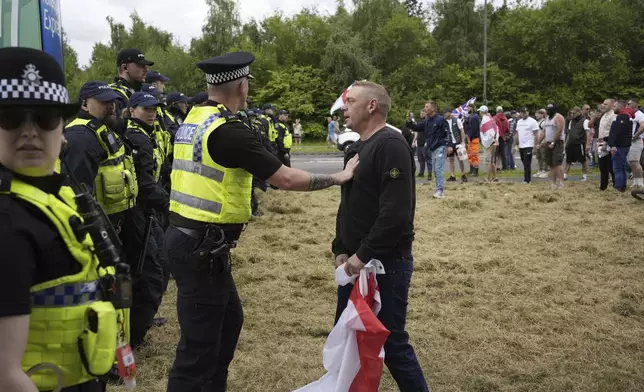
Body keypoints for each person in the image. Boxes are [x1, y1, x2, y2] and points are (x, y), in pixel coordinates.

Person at [164, 51, 359, 392]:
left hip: (193, 241)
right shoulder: (229, 131)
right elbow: (284, 178)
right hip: (199, 247)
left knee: (227, 322)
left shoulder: (196, 117)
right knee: (198, 348)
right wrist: (338, 177)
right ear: (241, 85)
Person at [0, 47, 128, 392]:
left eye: (45, 118)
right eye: (10, 118)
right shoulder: (8, 223)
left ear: (62, 128)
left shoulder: (55, 194)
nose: (29, 131)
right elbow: (4, 374)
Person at [333, 80, 429, 392]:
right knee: (349, 341)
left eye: (351, 101)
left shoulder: (391, 145)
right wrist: (341, 248)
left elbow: (395, 214)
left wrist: (362, 256)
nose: (344, 107)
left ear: (372, 106)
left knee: (393, 344)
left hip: (384, 266)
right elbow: (348, 204)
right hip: (355, 267)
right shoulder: (357, 148)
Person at [63, 82, 163, 352]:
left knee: (140, 281)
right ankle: (115, 351)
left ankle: (128, 341)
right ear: (85, 104)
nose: (111, 106)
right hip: (104, 232)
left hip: (125, 221)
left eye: (114, 101)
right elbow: (79, 195)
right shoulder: (80, 139)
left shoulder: (105, 130)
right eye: (104, 102)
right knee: (114, 291)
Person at [124, 92, 171, 295]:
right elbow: (144, 182)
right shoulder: (136, 136)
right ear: (132, 110)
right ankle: (141, 320)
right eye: (146, 109)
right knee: (151, 265)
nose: (151, 113)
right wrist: (171, 204)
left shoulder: (146, 133)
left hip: (149, 207)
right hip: (140, 209)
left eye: (153, 109)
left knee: (157, 261)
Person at [408, 101, 449, 198]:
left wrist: (449, 145)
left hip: (441, 146)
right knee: (435, 169)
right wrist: (409, 121)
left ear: (433, 109)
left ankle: (440, 191)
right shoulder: (426, 121)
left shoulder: (440, 119)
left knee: (438, 169)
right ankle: (438, 189)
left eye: (427, 107)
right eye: (425, 107)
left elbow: (448, 132)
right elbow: (416, 127)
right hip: (433, 148)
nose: (425, 109)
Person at [109, 48, 155, 132]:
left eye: (145, 66)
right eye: (140, 65)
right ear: (125, 67)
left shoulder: (138, 92)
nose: (146, 70)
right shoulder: (115, 96)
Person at [608, 100, 634, 192]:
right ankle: (622, 186)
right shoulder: (626, 116)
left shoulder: (623, 117)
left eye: (614, 106)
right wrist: (606, 139)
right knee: (621, 167)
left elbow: (617, 132)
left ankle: (619, 187)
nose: (613, 108)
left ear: (620, 106)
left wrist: (613, 144)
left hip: (620, 145)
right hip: (623, 144)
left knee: (617, 167)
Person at [542, 103, 566, 189]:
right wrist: (539, 142)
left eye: (549, 109)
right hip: (548, 142)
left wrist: (553, 142)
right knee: (551, 164)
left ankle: (561, 182)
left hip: (557, 142)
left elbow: (559, 131)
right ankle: (553, 182)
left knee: (557, 163)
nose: (547, 111)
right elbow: (544, 131)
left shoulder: (558, 117)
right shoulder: (547, 118)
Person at [564, 107, 591, 181]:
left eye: (574, 113)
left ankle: (584, 176)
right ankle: (565, 175)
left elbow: (588, 133)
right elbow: (569, 134)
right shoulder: (571, 121)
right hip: (571, 143)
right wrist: (566, 144)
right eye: (571, 113)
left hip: (580, 144)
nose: (572, 114)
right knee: (568, 160)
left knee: (583, 161)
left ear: (579, 113)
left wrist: (588, 144)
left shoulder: (585, 121)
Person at [597, 99, 617, 191]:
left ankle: (616, 185)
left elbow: (613, 132)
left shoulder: (613, 116)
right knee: (602, 167)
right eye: (603, 103)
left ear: (612, 105)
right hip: (600, 143)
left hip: (608, 144)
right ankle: (603, 186)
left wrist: (607, 143)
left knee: (611, 167)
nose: (603, 105)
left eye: (606, 104)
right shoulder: (603, 115)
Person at [515, 108, 539, 183]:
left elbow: (536, 134)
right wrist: (516, 144)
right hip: (521, 145)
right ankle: (527, 178)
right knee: (524, 162)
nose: (523, 114)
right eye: (522, 112)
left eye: (524, 112)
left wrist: (535, 146)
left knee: (527, 162)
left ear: (528, 112)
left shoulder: (532, 121)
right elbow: (517, 134)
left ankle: (527, 179)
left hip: (529, 144)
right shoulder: (519, 122)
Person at [444, 109, 467, 183]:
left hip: (458, 143)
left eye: (446, 113)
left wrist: (463, 141)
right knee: (451, 160)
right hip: (450, 143)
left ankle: (463, 174)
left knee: (460, 159)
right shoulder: (445, 122)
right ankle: (452, 175)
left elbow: (462, 131)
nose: (445, 115)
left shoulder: (457, 120)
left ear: (450, 113)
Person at [479, 105, 499, 182]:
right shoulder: (491, 118)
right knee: (492, 160)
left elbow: (488, 132)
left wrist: (490, 141)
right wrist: (495, 139)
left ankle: (487, 178)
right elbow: (496, 129)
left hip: (490, 142)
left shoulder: (485, 120)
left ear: (481, 112)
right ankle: (495, 177)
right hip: (493, 141)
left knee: (488, 161)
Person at [627, 98, 644, 188]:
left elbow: (642, 126)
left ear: (635, 104)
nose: (628, 105)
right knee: (631, 162)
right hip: (630, 141)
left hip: (636, 141)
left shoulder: (640, 114)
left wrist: (635, 135)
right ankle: (635, 181)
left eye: (629, 103)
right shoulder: (630, 115)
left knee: (635, 162)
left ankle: (640, 182)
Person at [411, 110, 431, 179]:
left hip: (425, 143)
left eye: (422, 113)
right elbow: (416, 133)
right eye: (420, 113)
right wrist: (414, 141)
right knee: (420, 159)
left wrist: (427, 141)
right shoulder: (419, 122)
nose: (421, 114)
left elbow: (429, 133)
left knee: (427, 159)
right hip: (419, 143)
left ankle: (430, 174)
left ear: (426, 114)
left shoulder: (428, 122)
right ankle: (421, 173)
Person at [465, 103, 480, 176]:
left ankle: (475, 171)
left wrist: (469, 137)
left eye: (468, 107)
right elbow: (468, 126)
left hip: (473, 138)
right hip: (469, 138)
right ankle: (471, 169)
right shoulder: (470, 116)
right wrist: (466, 120)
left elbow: (473, 129)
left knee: (474, 154)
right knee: (470, 155)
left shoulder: (475, 117)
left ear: (471, 108)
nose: (467, 109)